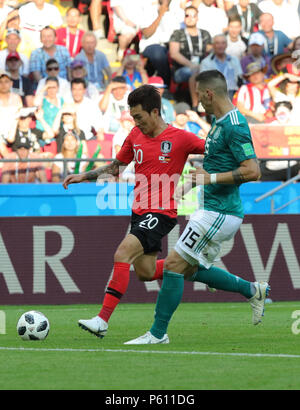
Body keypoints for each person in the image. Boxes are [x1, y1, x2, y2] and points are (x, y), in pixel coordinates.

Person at [124, 70, 270, 345]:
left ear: (209, 93)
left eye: (199, 95)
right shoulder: (217, 123)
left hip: (221, 211)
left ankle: (157, 334)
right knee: (187, 269)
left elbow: (253, 171)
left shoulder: (235, 125)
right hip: (210, 208)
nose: (198, 100)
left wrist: (209, 178)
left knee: (173, 264)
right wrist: (192, 182)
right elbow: (216, 164)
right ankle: (253, 290)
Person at [62, 84, 206, 338]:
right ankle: (190, 266)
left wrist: (211, 175)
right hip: (139, 211)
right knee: (146, 272)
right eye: (133, 117)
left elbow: (212, 150)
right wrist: (84, 176)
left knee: (123, 252)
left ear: (154, 112)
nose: (136, 122)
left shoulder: (180, 137)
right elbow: (117, 167)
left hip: (162, 212)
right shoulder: (135, 136)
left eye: (139, 117)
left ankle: (102, 320)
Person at [189, 34, 243, 106]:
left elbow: (240, 79)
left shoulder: (234, 60)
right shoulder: (206, 62)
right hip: (214, 95)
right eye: (217, 43)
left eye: (223, 43)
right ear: (213, 45)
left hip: (232, 94)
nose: (220, 46)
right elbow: (203, 83)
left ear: (226, 45)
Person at [169, 5, 212, 85]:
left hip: (202, 67)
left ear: (197, 18)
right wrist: (192, 65)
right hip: (182, 69)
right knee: (195, 72)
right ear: (184, 18)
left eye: (193, 16)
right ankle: (196, 98)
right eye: (187, 15)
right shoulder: (177, 33)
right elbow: (174, 54)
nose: (190, 18)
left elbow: (211, 52)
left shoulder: (205, 34)